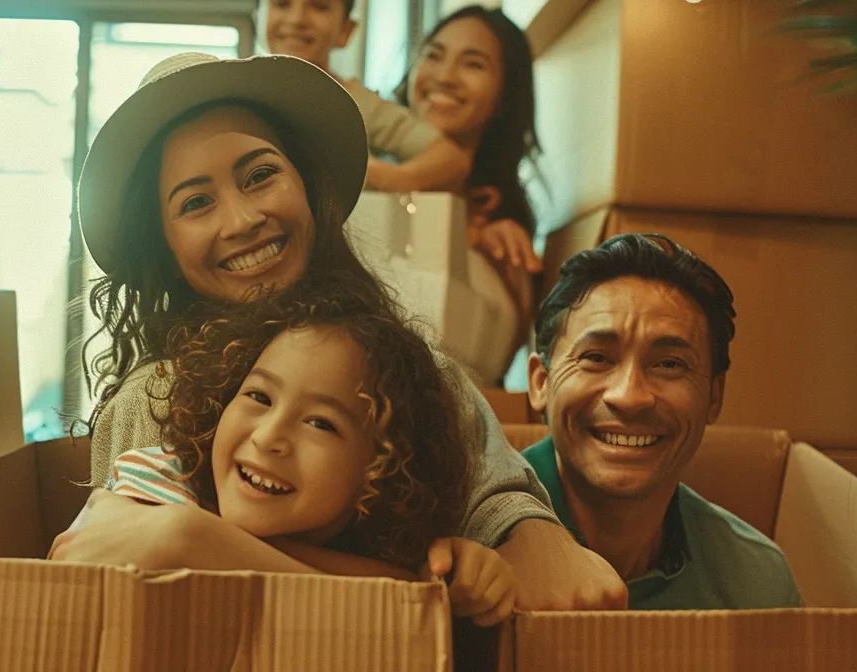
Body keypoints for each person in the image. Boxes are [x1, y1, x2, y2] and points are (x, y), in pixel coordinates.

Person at [49, 51, 627, 611]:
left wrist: (530, 534)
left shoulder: (417, 371)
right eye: (196, 202)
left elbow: (495, 502)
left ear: (308, 185)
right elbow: (137, 580)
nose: (243, 220)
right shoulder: (156, 398)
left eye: (260, 175)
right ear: (165, 248)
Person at [87, 280, 515, 625]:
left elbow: (410, 600)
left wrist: (197, 538)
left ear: (382, 469)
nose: (270, 435)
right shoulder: (162, 475)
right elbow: (121, 546)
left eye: (322, 424)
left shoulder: (377, 547)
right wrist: (187, 533)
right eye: (258, 395)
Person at [519, 233, 802, 610]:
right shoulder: (471, 542)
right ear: (541, 382)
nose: (630, 396)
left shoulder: (755, 584)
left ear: (714, 397)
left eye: (669, 364)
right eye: (597, 357)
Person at [397, 7, 545, 379]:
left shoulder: (502, 237)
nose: (445, 76)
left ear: (504, 96)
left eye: (473, 64)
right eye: (434, 54)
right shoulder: (353, 177)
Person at [263, 0, 470, 193]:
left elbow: (451, 160)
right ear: (260, 16)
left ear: (346, 31)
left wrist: (377, 176)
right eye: (282, 4)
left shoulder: (356, 102)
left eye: (319, 7)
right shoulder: (237, 93)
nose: (297, 19)